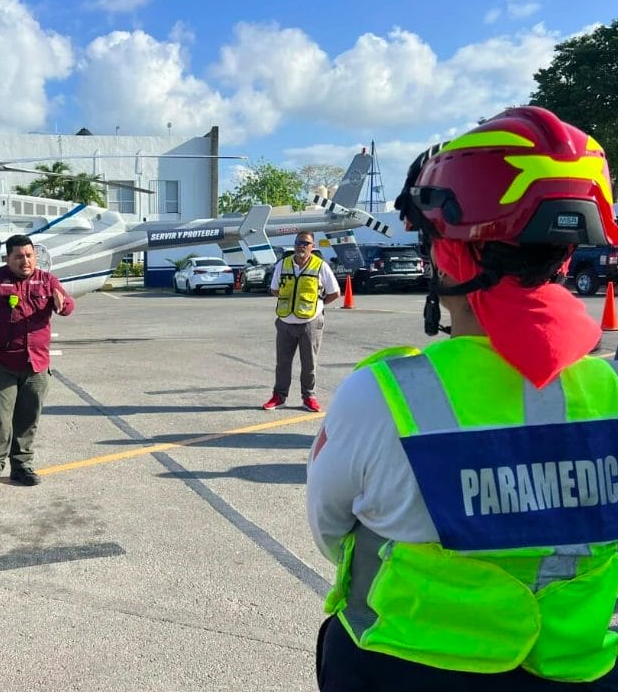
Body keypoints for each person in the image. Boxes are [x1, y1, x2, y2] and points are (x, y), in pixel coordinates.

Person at [308, 106, 618, 690]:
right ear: (568, 250)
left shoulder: (383, 395)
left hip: (405, 667)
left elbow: (330, 530)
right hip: (581, 668)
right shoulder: (612, 390)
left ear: (448, 253)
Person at [0, 234, 74, 496]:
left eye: (29, 255)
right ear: (7, 258)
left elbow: (67, 307)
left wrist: (63, 302)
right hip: (0, 362)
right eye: (19, 256)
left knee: (28, 418)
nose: (25, 261)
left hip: (36, 363)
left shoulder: (47, 281)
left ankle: (21, 466)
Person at [261, 231, 340, 412]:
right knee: (282, 363)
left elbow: (335, 293)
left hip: (310, 323)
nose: (301, 246)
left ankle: (309, 397)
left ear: (312, 247)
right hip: (285, 322)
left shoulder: (321, 266)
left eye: (306, 243)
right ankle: (279, 397)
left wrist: (318, 304)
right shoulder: (284, 264)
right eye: (298, 242)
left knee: (309, 364)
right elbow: (274, 289)